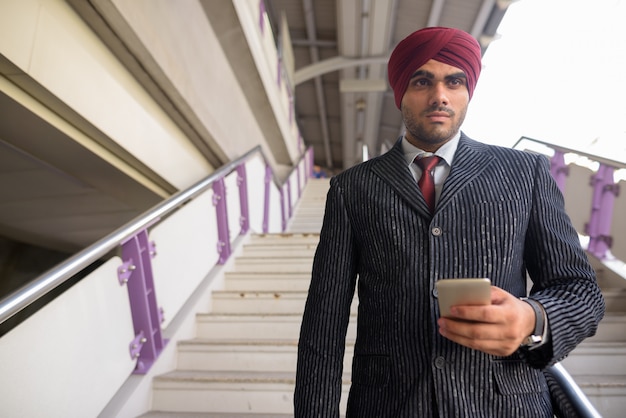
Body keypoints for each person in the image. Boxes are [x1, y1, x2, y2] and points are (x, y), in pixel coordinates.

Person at [294, 26, 605, 417]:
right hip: (388, 406)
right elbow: (323, 327)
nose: (439, 96)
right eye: (422, 80)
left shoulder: (526, 173)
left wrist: (533, 318)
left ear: (467, 91)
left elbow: (580, 291)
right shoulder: (351, 189)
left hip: (506, 406)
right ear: (401, 93)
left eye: (454, 81)